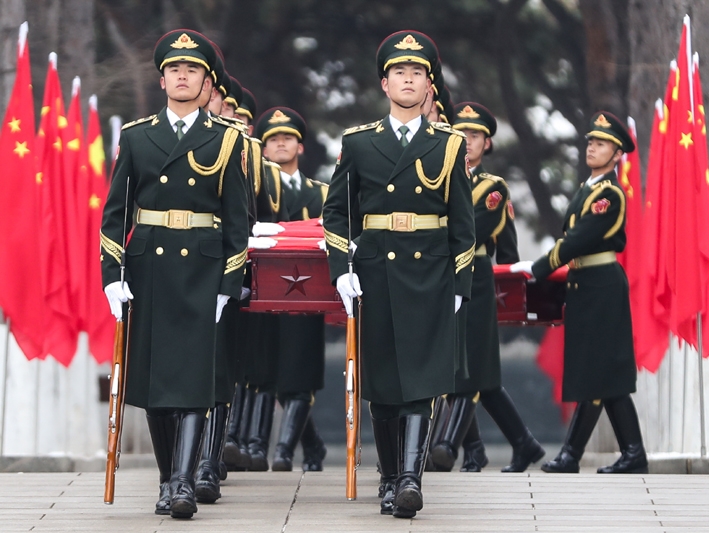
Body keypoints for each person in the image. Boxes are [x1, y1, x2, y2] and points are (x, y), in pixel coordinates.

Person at [323, 30, 475, 518]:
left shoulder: (449, 146)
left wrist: (460, 283)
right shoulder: (359, 143)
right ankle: (389, 477)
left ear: (429, 87)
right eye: (399, 73)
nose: (408, 80)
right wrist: (340, 268)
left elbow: (463, 225)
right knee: (384, 382)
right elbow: (336, 215)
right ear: (384, 85)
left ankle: (411, 477)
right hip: (375, 271)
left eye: (417, 73)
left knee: (422, 379)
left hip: (429, 271)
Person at [100, 29, 249, 519]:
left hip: (203, 272)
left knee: (192, 382)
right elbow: (115, 213)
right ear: (162, 79)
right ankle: (168, 480)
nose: (183, 76)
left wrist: (229, 282)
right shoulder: (138, 137)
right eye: (175, 70)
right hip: (150, 268)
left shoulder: (227, 139)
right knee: (159, 387)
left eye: (194, 71)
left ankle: (183, 482)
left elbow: (237, 220)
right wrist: (112, 275)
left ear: (206, 83)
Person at [512, 111, 648, 474]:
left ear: (618, 154)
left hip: (602, 283)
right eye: (590, 141)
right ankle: (624, 454)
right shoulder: (587, 189)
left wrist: (539, 267)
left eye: (601, 144)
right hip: (586, 284)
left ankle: (585, 454)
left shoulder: (608, 195)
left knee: (601, 370)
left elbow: (579, 238)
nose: (591, 147)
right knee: (599, 372)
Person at [429, 102, 545, 473]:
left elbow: (471, 231)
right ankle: (511, 445)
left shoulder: (492, 188)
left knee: (470, 367)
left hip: (475, 275)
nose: (466, 143)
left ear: (487, 144)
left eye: (474, 136)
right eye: (460, 135)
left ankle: (449, 443)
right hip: (441, 275)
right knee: (471, 371)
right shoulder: (438, 180)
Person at [253, 107, 329, 472]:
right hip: (266, 293)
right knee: (273, 376)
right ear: (263, 150)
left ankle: (283, 450)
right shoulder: (256, 192)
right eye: (272, 139)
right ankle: (312, 446)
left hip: (305, 294)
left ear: (300, 146)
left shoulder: (322, 194)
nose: (280, 143)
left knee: (299, 374)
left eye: (287, 138)